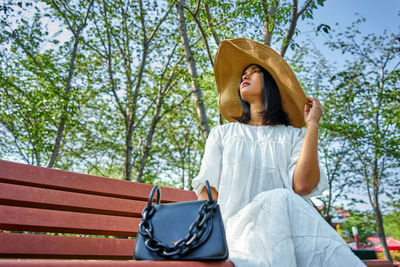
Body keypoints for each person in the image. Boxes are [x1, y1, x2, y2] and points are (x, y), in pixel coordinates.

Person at [191, 38, 365, 267]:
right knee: (280, 197)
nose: (245, 76)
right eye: (244, 73)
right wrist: (209, 240)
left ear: (272, 84)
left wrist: (312, 125)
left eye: (254, 72)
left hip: (288, 231)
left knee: (285, 203)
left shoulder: (293, 136)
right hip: (234, 232)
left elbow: (303, 185)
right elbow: (208, 191)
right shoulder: (223, 134)